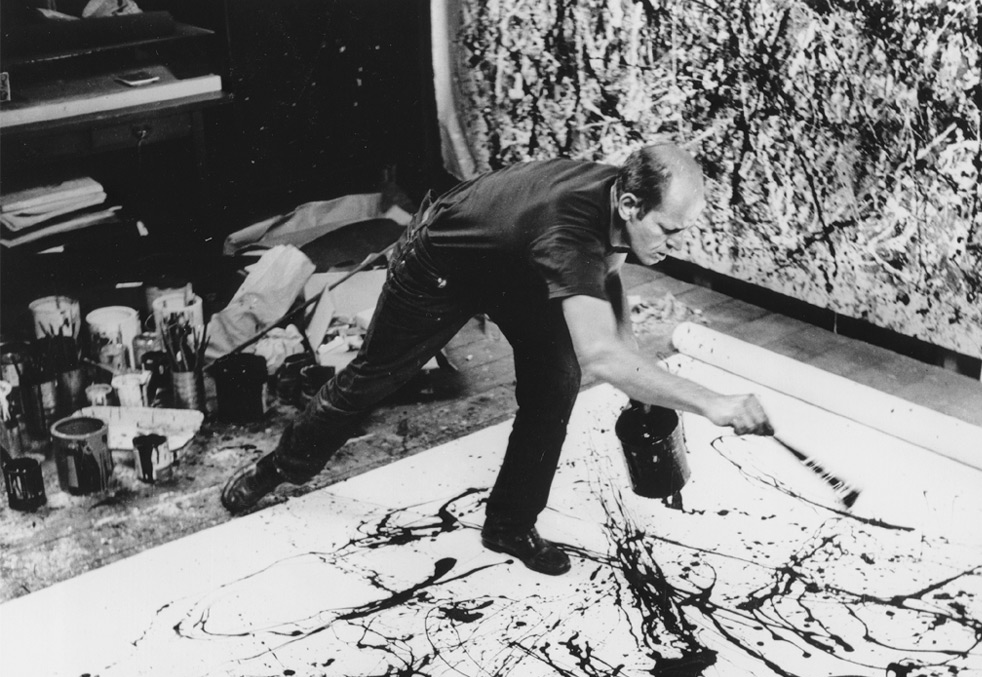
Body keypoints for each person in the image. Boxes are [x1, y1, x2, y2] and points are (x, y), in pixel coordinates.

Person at [222, 143, 773, 575]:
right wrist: (713, 403)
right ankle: (281, 467)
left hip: (514, 266)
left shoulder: (618, 195)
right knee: (372, 379)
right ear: (630, 205)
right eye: (669, 230)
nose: (674, 244)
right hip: (440, 266)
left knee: (556, 381)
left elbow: (606, 278)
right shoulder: (568, 230)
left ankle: (509, 525)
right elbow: (601, 355)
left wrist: (638, 375)